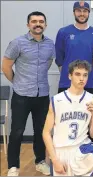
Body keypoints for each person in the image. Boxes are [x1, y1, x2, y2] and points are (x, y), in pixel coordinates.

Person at [2, 11, 54, 176]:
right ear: (28, 25)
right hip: (21, 96)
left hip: (42, 95)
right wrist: (17, 83)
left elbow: (49, 62)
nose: (37, 24)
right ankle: (13, 166)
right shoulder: (17, 43)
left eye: (41, 21)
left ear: (45, 25)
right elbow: (6, 66)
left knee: (41, 130)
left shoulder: (50, 44)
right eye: (34, 21)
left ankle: (40, 161)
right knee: (17, 131)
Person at [42, 60, 93, 176]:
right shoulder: (57, 100)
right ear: (70, 76)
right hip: (61, 150)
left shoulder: (92, 99)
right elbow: (46, 133)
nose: (82, 79)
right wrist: (54, 160)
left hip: (82, 148)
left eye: (85, 75)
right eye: (78, 74)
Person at [55, 1, 93, 94]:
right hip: (67, 83)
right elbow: (59, 57)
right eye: (79, 11)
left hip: (88, 83)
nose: (82, 14)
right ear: (74, 13)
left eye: (85, 11)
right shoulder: (63, 32)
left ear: (89, 13)